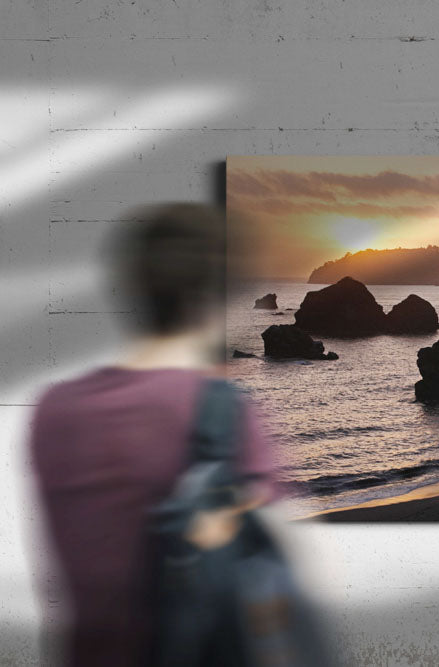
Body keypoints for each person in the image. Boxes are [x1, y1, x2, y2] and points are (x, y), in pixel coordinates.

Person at [29, 204, 276, 666]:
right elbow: (275, 578)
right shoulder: (222, 410)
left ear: (131, 288)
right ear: (216, 293)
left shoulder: (52, 410)